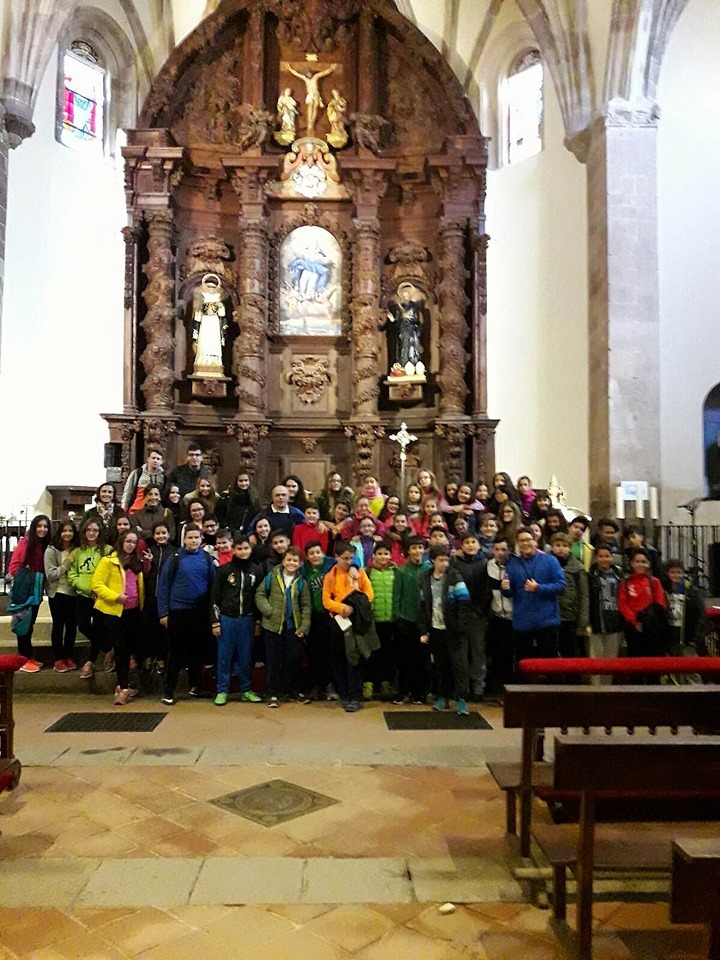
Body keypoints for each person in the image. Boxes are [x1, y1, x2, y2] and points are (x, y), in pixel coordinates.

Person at [157, 522, 215, 704]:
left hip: (199, 612)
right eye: (190, 537)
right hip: (178, 611)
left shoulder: (206, 558)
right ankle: (168, 691)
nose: (193, 541)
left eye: (196, 537)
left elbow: (213, 586)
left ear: (201, 539)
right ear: (184, 539)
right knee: (175, 653)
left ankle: (195, 686)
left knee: (197, 651)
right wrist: (163, 613)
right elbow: (163, 586)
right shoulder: (174, 558)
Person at [91, 529, 145, 706]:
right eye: (128, 541)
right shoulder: (108, 561)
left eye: (134, 542)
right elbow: (97, 585)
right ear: (121, 542)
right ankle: (122, 688)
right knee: (121, 650)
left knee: (133, 649)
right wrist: (115, 597)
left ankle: (130, 684)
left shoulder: (137, 562)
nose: (130, 545)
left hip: (134, 611)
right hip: (115, 612)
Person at [322, 540, 376, 712]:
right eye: (345, 558)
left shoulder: (359, 572)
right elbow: (326, 600)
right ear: (336, 557)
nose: (348, 561)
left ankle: (355, 695)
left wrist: (356, 603)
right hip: (338, 620)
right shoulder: (330, 576)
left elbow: (369, 593)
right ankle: (344, 693)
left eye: (351, 558)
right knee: (339, 657)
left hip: (357, 621)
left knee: (356, 658)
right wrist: (341, 607)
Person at [418, 544, 471, 716]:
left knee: (459, 665)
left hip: (453, 629)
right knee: (440, 665)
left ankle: (462, 699)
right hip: (435, 628)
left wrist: (461, 627)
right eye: (441, 560)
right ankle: (442, 696)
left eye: (446, 560)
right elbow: (422, 605)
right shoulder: (425, 578)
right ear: (432, 560)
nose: (444, 563)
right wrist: (424, 630)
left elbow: (464, 602)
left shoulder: (455, 576)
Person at [502, 526, 565, 670]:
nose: (525, 544)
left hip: (547, 621)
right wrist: (505, 588)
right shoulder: (512, 564)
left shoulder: (550, 561)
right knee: (522, 664)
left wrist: (539, 588)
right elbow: (510, 593)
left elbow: (561, 586)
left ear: (535, 541)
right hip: (522, 623)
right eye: (521, 541)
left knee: (550, 664)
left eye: (528, 540)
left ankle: (550, 692)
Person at [255, 546, 311, 707]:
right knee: (273, 660)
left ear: (300, 563)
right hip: (272, 627)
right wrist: (268, 610)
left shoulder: (301, 582)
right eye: (289, 559)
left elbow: (306, 606)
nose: (292, 563)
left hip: (293, 628)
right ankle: (273, 693)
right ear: (283, 561)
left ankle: (293, 691)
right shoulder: (272, 576)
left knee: (292, 660)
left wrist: (304, 626)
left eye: (295, 560)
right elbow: (260, 594)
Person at [211, 535, 262, 706]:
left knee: (245, 657)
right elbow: (214, 598)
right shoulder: (224, 570)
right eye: (239, 548)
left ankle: (246, 690)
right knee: (224, 656)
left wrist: (257, 622)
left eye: (246, 548)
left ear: (251, 549)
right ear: (234, 549)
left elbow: (259, 598)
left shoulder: (257, 570)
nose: (243, 552)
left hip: (247, 620)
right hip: (227, 619)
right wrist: (215, 622)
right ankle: (222, 690)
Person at [69, 518, 111, 679]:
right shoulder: (77, 551)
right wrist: (84, 586)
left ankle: (90, 662)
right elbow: (72, 574)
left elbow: (110, 573)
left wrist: (100, 589)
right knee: (83, 626)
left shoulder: (106, 550)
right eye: (88, 530)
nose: (91, 533)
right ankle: (108, 648)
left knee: (100, 627)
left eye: (95, 530)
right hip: (83, 595)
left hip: (100, 596)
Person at [391, 535, 431, 704]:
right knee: (404, 659)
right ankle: (403, 691)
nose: (417, 551)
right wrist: (397, 617)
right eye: (414, 548)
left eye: (420, 548)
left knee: (421, 659)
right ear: (408, 551)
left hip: (423, 622)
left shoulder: (429, 569)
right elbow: (396, 596)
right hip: (405, 620)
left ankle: (419, 693)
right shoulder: (401, 571)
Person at [9, 514, 51, 672]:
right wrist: (26, 579)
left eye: (45, 527)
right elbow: (14, 567)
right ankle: (23, 659)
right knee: (23, 624)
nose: (42, 529)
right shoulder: (26, 543)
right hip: (26, 590)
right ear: (34, 527)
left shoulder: (44, 544)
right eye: (39, 526)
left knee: (30, 623)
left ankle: (27, 656)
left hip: (37, 590)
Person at [452, 532, 488, 700]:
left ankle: (478, 687)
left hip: (478, 615)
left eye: (474, 542)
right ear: (462, 545)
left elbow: (487, 590)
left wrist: (479, 609)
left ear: (479, 545)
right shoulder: (455, 563)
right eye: (467, 542)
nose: (470, 545)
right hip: (460, 614)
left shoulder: (485, 563)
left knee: (478, 652)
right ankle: (463, 687)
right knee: (461, 652)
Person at [617, 547, 669, 657]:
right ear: (631, 563)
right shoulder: (625, 582)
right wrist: (635, 621)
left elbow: (660, 604)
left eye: (643, 562)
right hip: (632, 628)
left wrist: (647, 621)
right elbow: (622, 604)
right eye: (637, 561)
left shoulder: (655, 582)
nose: (640, 564)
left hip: (652, 629)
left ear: (649, 564)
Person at [302, 540, 337, 700]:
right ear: (307, 556)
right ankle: (316, 685)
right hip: (312, 615)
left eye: (318, 552)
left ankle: (330, 685)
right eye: (311, 553)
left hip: (330, 615)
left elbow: (349, 564)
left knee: (330, 651)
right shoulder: (304, 569)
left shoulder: (331, 564)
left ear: (322, 552)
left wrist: (354, 568)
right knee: (314, 652)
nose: (315, 556)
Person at [44, 519, 79, 673]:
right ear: (59, 533)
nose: (67, 534)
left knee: (71, 626)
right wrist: (66, 565)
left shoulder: (77, 548)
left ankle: (68, 656)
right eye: (64, 531)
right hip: (57, 593)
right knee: (59, 625)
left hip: (73, 592)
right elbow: (51, 575)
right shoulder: (51, 550)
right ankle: (58, 658)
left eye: (70, 531)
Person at [587, 545, 624, 683]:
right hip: (596, 621)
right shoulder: (590, 576)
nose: (604, 559)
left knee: (611, 659)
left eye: (607, 556)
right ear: (596, 558)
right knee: (595, 658)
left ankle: (607, 688)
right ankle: (595, 689)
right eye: (601, 556)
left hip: (614, 621)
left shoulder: (619, 576)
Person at [550, 532, 589, 661]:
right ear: (552, 547)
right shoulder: (546, 563)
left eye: (565, 545)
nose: (561, 548)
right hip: (549, 615)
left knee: (570, 653)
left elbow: (583, 595)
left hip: (569, 616)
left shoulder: (577, 567)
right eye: (558, 545)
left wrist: (582, 622)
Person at [484, 534, 514, 698]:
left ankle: (511, 691)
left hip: (513, 617)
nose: (500, 553)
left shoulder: (515, 565)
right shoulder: (489, 566)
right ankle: (498, 690)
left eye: (504, 549)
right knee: (497, 656)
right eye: (497, 549)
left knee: (510, 657)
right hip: (496, 616)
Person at [367, 540, 397, 700]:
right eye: (379, 553)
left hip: (390, 620)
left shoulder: (396, 571)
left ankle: (386, 683)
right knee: (372, 653)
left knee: (388, 653)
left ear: (391, 555)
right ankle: (369, 683)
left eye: (386, 553)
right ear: (374, 555)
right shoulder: (368, 571)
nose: (383, 556)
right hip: (374, 621)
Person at [144, 521, 173, 676]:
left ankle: (162, 658)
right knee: (149, 628)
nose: (161, 536)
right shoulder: (150, 551)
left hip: (167, 599)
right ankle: (149, 656)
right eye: (158, 533)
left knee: (164, 631)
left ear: (168, 534)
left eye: (164, 533)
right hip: (150, 596)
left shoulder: (175, 552)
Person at [664, 559, 708, 654]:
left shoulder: (692, 591)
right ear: (667, 573)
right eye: (672, 572)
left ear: (683, 573)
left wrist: (697, 637)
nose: (676, 575)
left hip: (687, 638)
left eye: (679, 572)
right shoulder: (663, 590)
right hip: (669, 636)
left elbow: (701, 614)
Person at [121, 447, 166, 512]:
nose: (155, 461)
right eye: (153, 458)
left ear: (161, 462)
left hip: (154, 511)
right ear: (148, 459)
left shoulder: (163, 477)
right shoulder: (137, 473)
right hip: (136, 510)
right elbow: (128, 492)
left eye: (158, 459)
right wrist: (124, 508)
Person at [215, 472, 261, 536]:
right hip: (228, 531)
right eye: (241, 481)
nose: (244, 483)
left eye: (246, 480)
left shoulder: (254, 498)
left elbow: (257, 516)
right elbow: (219, 514)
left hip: (247, 533)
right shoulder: (227, 497)